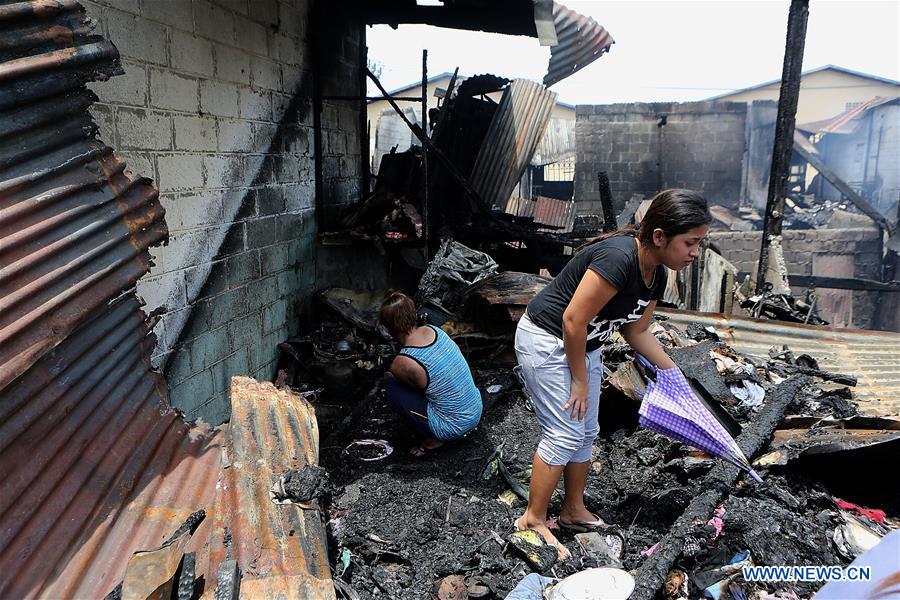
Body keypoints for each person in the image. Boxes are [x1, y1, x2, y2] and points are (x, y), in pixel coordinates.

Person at [513, 188, 711, 558]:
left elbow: (636, 331)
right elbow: (573, 320)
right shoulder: (618, 259)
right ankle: (534, 519)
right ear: (658, 236)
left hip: (585, 344)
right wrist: (579, 381)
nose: (695, 253)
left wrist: (673, 374)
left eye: (699, 243)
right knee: (563, 431)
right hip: (547, 340)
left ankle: (572, 510)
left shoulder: (657, 275)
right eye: (690, 243)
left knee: (587, 430)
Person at [378, 291, 483, 456]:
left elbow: (416, 389)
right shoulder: (434, 330)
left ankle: (432, 440)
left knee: (389, 387)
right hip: (475, 410)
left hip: (453, 427)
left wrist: (391, 375)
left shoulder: (402, 362)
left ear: (388, 328)